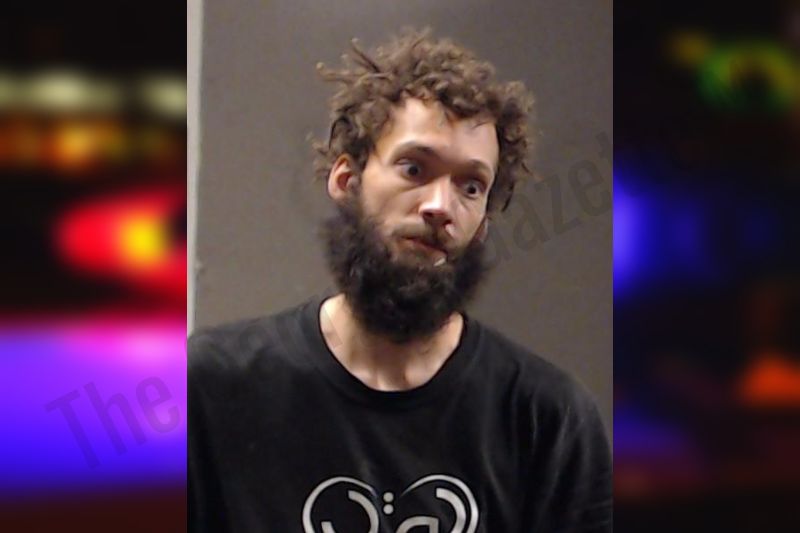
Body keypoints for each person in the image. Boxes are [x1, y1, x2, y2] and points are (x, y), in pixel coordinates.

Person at [189, 29, 611, 532]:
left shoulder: (548, 420)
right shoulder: (212, 387)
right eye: (414, 169)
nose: (440, 206)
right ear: (347, 180)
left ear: (483, 224)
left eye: (470, 186)